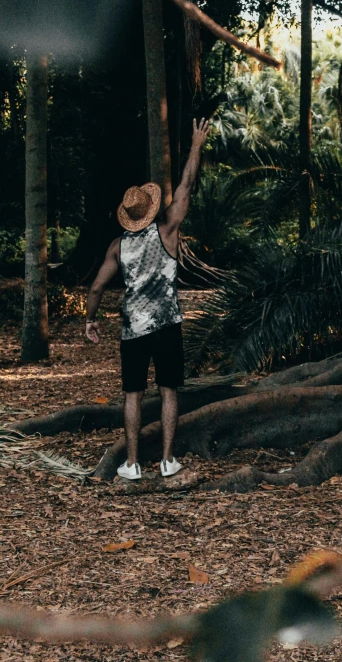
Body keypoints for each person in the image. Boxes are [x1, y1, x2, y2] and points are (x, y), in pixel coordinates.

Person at [85, 118, 210, 480]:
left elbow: (95, 288)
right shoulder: (168, 229)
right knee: (169, 391)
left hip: (133, 330)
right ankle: (168, 460)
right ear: (151, 210)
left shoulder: (117, 246)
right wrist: (196, 145)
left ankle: (132, 464)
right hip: (168, 324)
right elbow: (186, 184)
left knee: (133, 395)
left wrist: (91, 320)